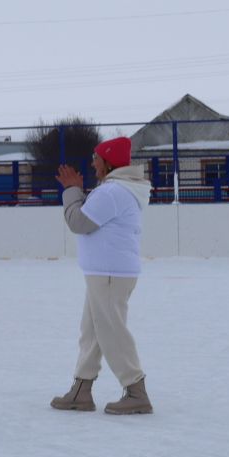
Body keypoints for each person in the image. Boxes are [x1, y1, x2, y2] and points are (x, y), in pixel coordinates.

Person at [51, 137, 154, 414]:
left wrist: (72, 191)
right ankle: (81, 390)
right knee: (93, 332)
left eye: (96, 158)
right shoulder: (116, 189)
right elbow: (90, 216)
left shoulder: (113, 192)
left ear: (108, 162)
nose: (93, 163)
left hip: (109, 273)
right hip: (105, 272)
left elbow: (79, 222)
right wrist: (79, 193)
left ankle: (136, 391)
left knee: (111, 331)